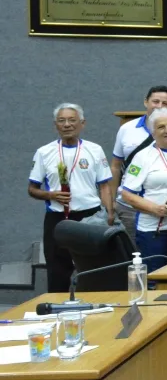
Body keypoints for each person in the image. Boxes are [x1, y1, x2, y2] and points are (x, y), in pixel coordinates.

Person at [28, 103, 114, 291]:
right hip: (58, 218)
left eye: (72, 120)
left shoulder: (95, 150)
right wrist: (51, 195)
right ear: (55, 125)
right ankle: (56, 314)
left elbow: (105, 185)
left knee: (94, 269)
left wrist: (109, 213)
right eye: (61, 121)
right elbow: (32, 189)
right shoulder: (44, 152)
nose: (67, 124)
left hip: (89, 217)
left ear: (82, 123)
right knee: (57, 271)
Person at [110, 86, 167, 239]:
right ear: (145, 102)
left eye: (165, 103)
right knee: (137, 255)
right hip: (130, 207)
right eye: (155, 101)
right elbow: (115, 166)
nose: (159, 106)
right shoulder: (127, 129)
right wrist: (112, 202)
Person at [119, 108, 167, 271]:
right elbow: (127, 194)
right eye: (161, 127)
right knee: (156, 278)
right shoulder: (142, 157)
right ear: (153, 132)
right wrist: (154, 208)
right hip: (154, 230)